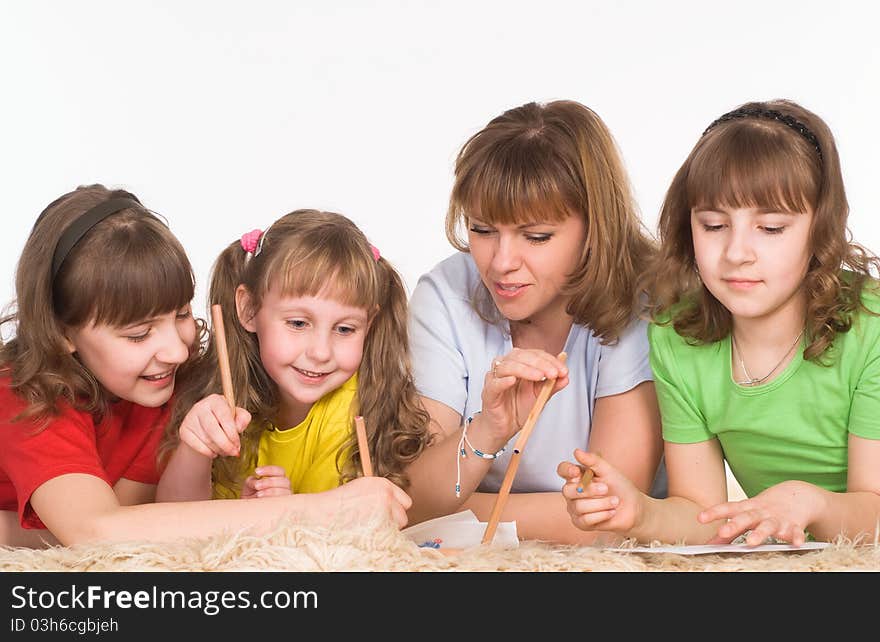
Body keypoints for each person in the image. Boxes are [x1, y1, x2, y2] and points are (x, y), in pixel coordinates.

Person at [0, 186, 411, 548]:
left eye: (180, 315)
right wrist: (322, 510)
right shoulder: (26, 396)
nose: (178, 353)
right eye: (139, 334)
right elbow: (96, 532)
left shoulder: (157, 384)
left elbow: (141, 519)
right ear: (61, 332)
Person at [559, 99, 880, 546]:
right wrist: (638, 513)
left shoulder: (872, 326)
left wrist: (810, 502)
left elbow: (875, 513)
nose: (736, 253)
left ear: (820, 229)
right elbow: (704, 514)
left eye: (770, 229)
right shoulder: (677, 335)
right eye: (713, 225)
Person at [405, 100, 665, 544]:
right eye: (483, 230)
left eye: (536, 236)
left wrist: (459, 509)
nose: (501, 262)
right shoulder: (445, 294)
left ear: (594, 228)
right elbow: (414, 499)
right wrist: (490, 427)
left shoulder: (642, 304)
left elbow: (607, 517)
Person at [157, 209, 431, 505]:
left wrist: (280, 511)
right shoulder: (221, 395)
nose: (321, 352)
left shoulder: (355, 409)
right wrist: (195, 451)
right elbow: (176, 517)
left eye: (344, 328)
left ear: (370, 324)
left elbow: (333, 530)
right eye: (298, 323)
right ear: (249, 309)